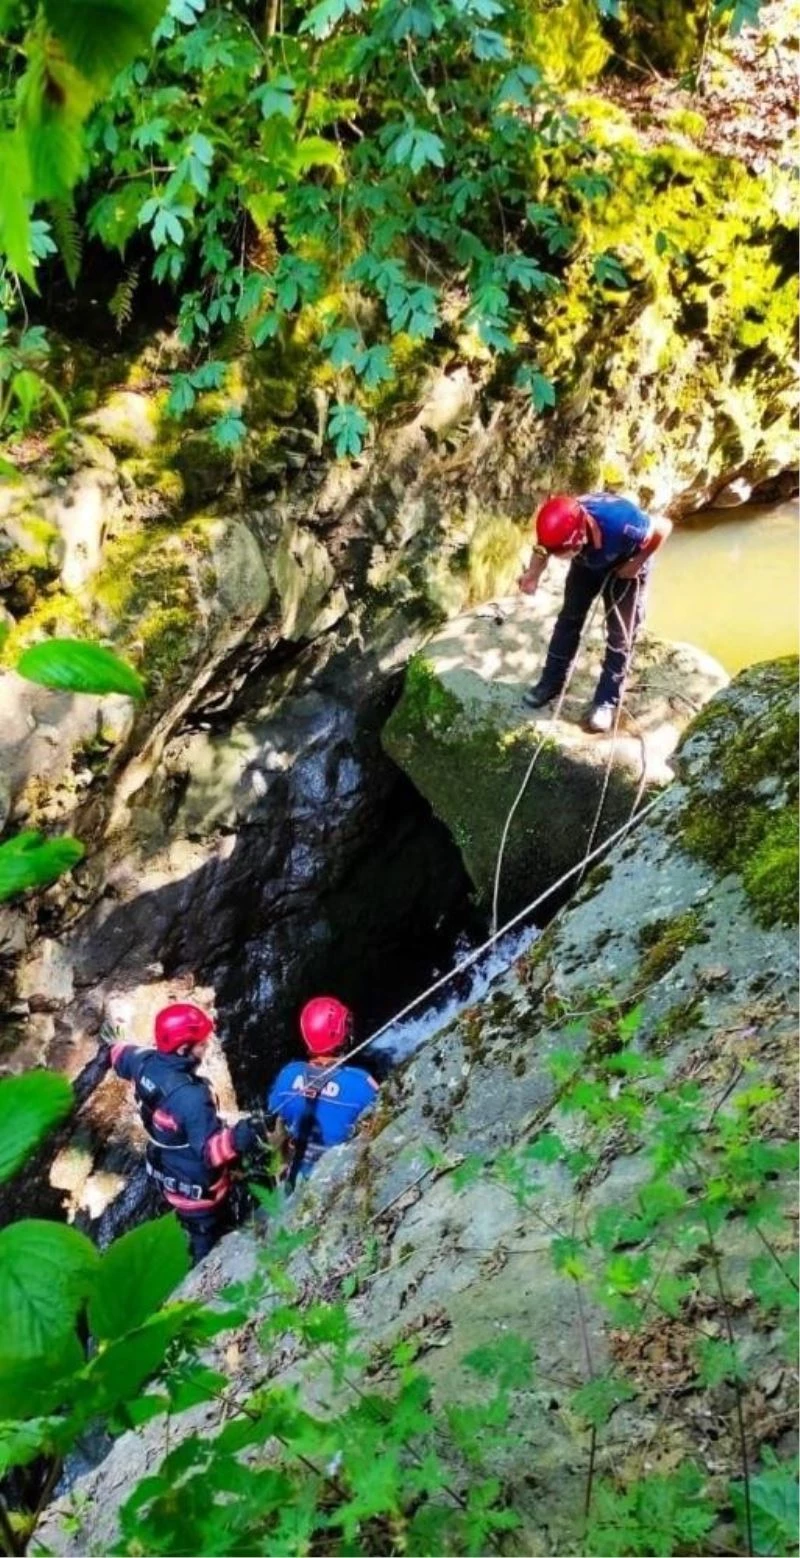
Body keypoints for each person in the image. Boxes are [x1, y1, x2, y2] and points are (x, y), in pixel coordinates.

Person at [97, 1002, 264, 1264]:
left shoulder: (144, 1062)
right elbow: (211, 1153)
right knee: (205, 1242)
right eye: (201, 1043)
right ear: (183, 1049)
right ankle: (200, 1279)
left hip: (166, 1170)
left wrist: (114, 1041)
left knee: (188, 1223)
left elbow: (119, 1055)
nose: (207, 1046)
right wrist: (244, 1134)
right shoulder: (191, 1098)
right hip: (198, 1192)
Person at [518, 492, 672, 733]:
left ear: (579, 535)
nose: (558, 556)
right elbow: (542, 548)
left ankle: (606, 701)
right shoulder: (556, 521)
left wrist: (635, 564)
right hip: (586, 564)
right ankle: (551, 682)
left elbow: (663, 527)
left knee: (621, 636)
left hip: (625, 565)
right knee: (569, 619)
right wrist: (532, 575)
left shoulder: (624, 523)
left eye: (562, 552)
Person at [267, 997, 379, 1186]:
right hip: (338, 1175)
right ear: (342, 1035)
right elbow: (380, 1121)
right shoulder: (361, 1083)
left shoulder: (287, 1075)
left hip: (298, 1174)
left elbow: (277, 1121)